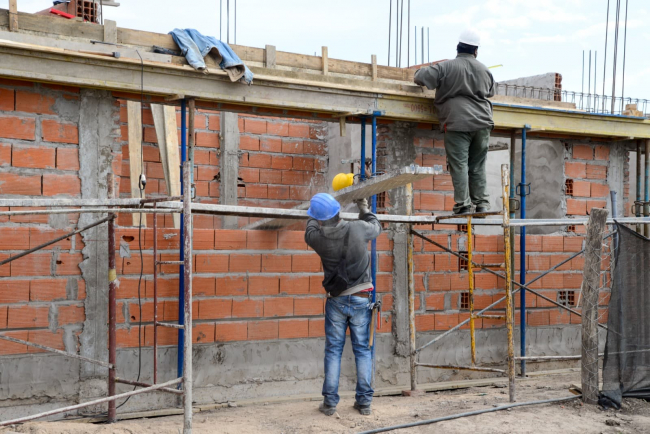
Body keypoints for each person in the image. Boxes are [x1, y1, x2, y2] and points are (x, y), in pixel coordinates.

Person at [304, 193, 381, 416]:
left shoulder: (317, 238)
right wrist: (364, 208)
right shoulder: (358, 228)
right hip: (360, 298)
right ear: (338, 212)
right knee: (363, 351)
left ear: (320, 220)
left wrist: (312, 212)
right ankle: (364, 403)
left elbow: (310, 228)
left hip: (336, 300)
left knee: (333, 351)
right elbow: (375, 225)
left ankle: (329, 404)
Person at [414, 28, 495, 215]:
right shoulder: (485, 70)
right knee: (477, 166)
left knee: (459, 164)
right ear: (476, 51)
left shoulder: (446, 67)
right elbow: (491, 92)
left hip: (457, 122)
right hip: (483, 123)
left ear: (458, 48)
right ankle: (482, 204)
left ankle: (463, 205)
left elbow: (420, 77)